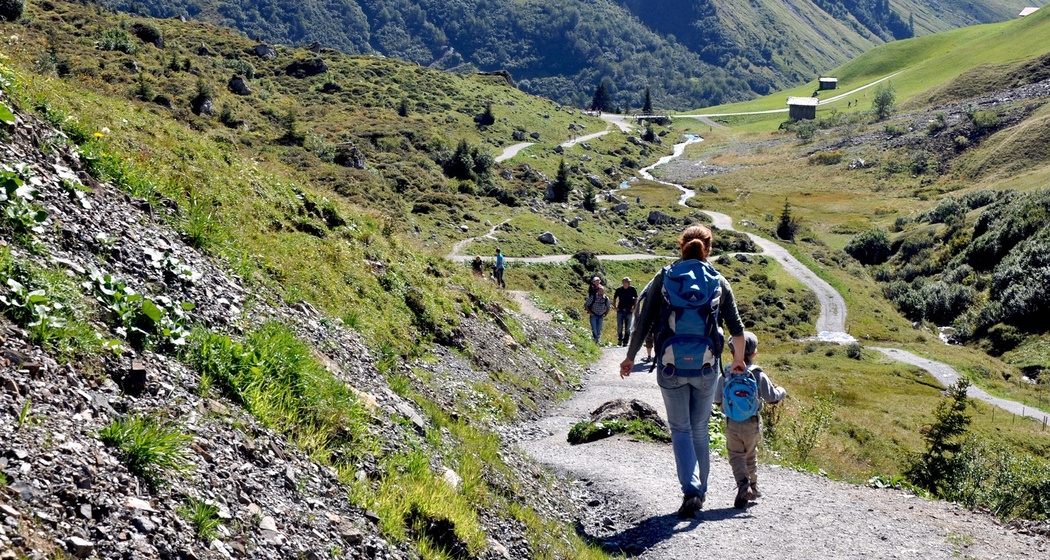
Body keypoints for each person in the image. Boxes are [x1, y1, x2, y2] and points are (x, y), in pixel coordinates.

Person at [620, 224, 747, 519]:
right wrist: (738, 361)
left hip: (670, 364)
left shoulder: (665, 277)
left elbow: (643, 323)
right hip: (706, 366)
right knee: (700, 429)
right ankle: (700, 490)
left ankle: (690, 490)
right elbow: (737, 329)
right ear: (709, 248)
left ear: (681, 246)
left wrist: (629, 357)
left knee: (680, 429)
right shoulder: (718, 281)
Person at [713, 331, 786, 509]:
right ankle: (752, 485)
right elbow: (771, 397)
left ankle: (743, 484)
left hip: (732, 423)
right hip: (752, 422)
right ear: (754, 353)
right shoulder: (757, 374)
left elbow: (716, 399)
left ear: (732, 353)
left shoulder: (726, 374)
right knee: (750, 455)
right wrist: (782, 391)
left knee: (736, 455)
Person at [613, 277, 638, 346]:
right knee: (620, 327)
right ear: (623, 283)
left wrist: (634, 307)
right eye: (627, 282)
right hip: (620, 310)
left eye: (629, 282)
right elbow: (614, 298)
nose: (629, 283)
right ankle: (620, 340)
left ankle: (626, 341)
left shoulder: (632, 289)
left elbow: (636, 298)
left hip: (629, 311)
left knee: (628, 328)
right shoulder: (619, 290)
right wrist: (615, 307)